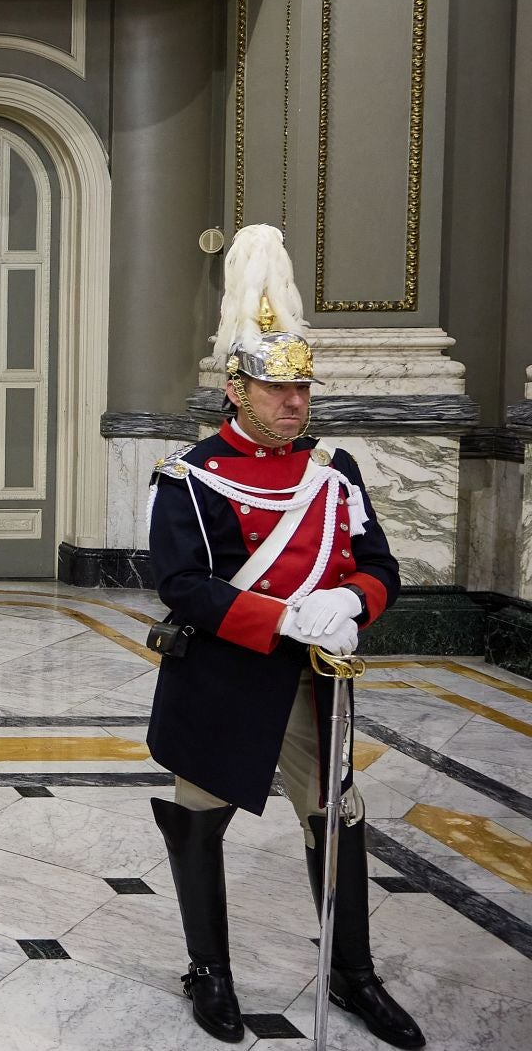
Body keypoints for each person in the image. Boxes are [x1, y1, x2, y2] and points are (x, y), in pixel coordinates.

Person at [145, 225, 423, 1049]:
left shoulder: (336, 470)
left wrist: (351, 603)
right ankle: (210, 970)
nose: (295, 403)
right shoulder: (190, 478)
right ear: (237, 388)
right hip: (224, 679)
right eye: (276, 389)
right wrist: (282, 617)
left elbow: (380, 564)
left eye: (302, 389)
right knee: (199, 816)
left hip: (316, 682)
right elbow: (183, 586)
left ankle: (353, 971)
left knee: (338, 815)